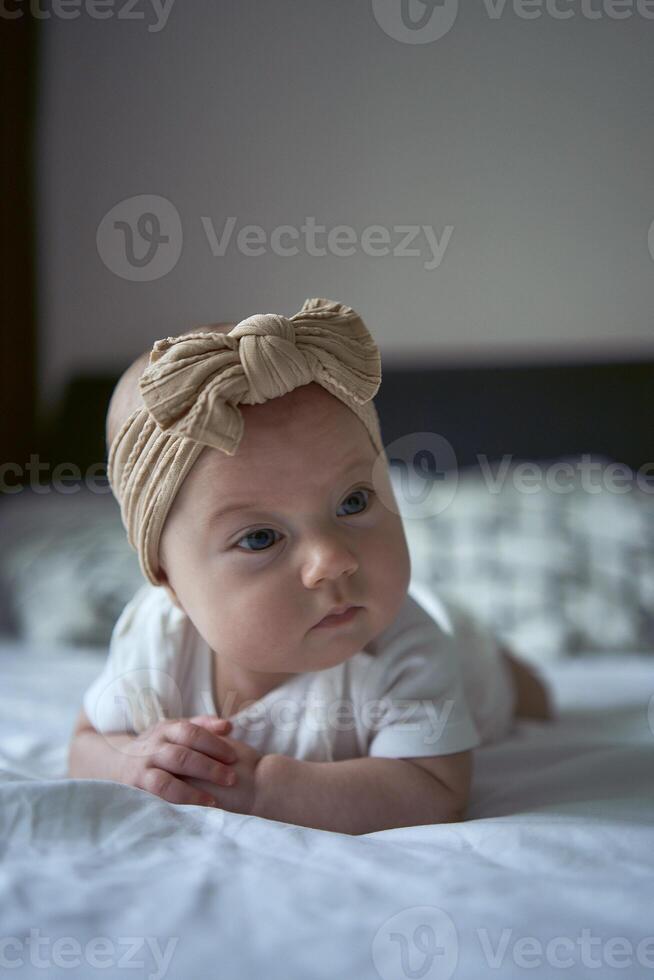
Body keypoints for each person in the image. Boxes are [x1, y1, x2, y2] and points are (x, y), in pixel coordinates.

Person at [67, 297, 552, 835]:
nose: (333, 560)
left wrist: (262, 787)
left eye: (353, 502)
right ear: (169, 582)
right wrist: (127, 764)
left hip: (466, 656)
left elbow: (432, 790)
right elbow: (87, 742)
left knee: (516, 689)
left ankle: (511, 667)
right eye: (260, 537)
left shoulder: (406, 648)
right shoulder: (156, 643)